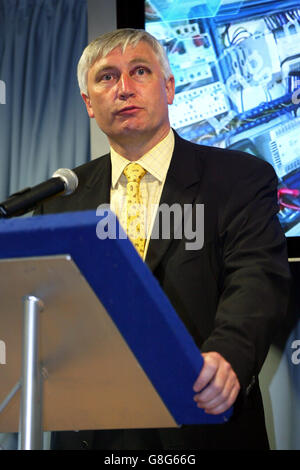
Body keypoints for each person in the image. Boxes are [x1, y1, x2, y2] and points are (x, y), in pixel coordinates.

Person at [35, 28, 290, 450]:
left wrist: (227, 356)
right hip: (91, 431)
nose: (124, 89)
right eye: (106, 77)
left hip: (201, 418)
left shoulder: (239, 179)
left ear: (169, 87)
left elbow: (257, 279)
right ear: (88, 104)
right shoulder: (62, 197)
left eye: (140, 71)